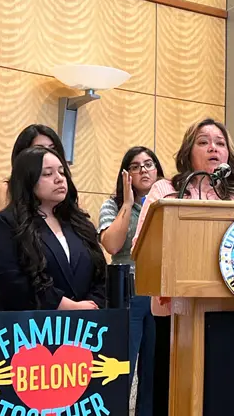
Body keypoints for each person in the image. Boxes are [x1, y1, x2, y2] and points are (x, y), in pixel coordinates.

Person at [132, 118, 234, 413]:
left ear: (228, 153)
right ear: (188, 151)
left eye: (220, 143)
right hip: (175, 311)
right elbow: (142, 244)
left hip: (232, 308)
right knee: (172, 394)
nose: (213, 148)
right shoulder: (166, 190)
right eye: (203, 142)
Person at [0, 146, 105, 311]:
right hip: (30, 324)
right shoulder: (6, 223)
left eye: (62, 172)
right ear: (28, 180)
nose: (59, 179)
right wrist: (65, 306)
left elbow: (101, 275)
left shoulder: (80, 224)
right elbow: (10, 281)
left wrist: (91, 305)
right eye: (48, 174)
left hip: (87, 323)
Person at [98, 147, 165, 416]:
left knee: (154, 370)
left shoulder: (167, 204)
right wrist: (127, 203)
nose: (143, 170)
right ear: (126, 175)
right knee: (120, 366)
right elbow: (112, 246)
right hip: (127, 291)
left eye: (149, 164)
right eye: (135, 167)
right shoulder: (112, 205)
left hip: (160, 293)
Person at [0, 124, 67, 215]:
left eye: (53, 149)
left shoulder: (65, 189)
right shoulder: (7, 190)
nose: (48, 154)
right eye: (40, 149)